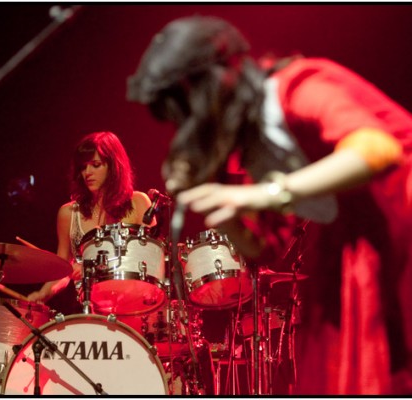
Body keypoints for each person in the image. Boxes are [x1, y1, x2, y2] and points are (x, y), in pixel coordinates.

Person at [127, 15, 412, 395]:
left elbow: (379, 151)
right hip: (357, 250)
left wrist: (259, 194)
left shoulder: (298, 83)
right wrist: (220, 209)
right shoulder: (254, 141)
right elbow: (266, 249)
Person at [27, 131, 154, 309]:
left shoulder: (139, 202)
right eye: (83, 167)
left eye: (95, 165)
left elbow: (153, 260)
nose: (87, 173)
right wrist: (43, 294)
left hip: (135, 304)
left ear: (114, 166)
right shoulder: (68, 213)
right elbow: (63, 270)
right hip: (89, 309)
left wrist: (90, 266)